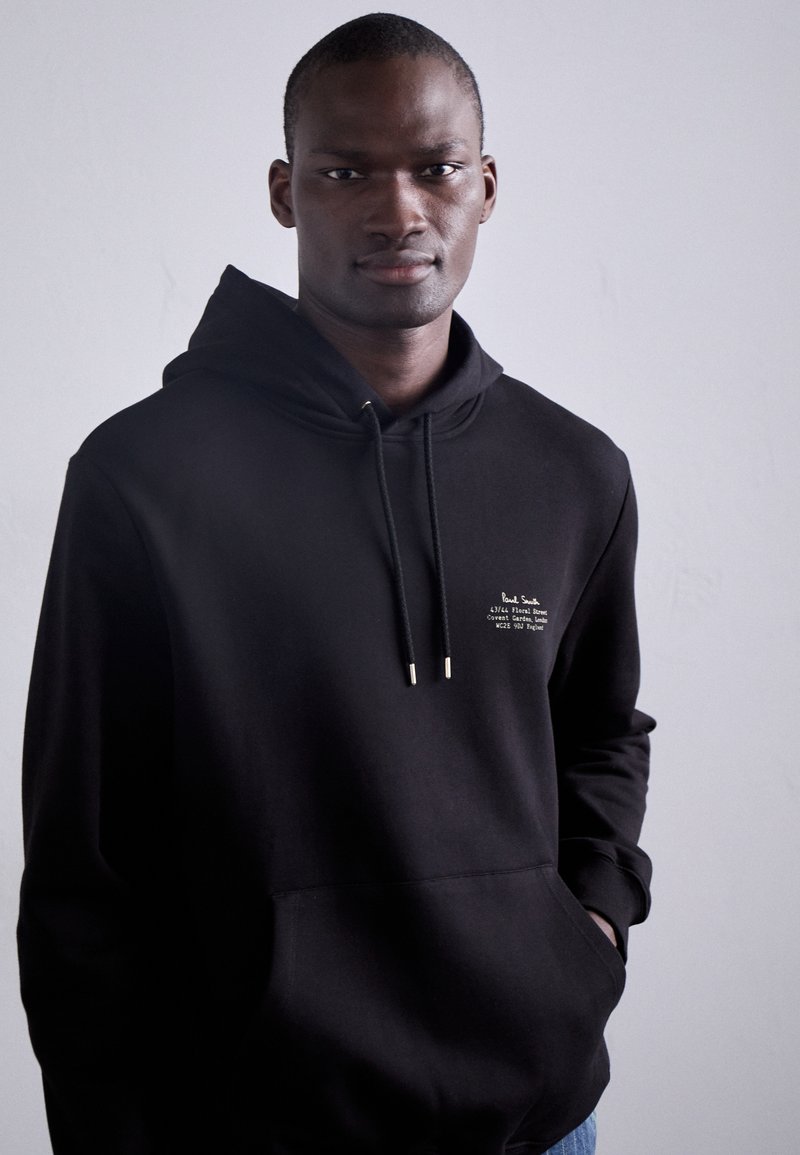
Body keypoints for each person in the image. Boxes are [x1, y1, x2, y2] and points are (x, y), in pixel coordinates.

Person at [18, 14, 654, 1155]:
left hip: (535, 1116)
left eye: (435, 168)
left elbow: (601, 731)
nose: (398, 209)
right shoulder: (143, 475)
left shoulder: (572, 473)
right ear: (285, 192)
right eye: (347, 171)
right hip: (245, 1120)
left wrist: (594, 918)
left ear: (486, 186)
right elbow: (83, 848)